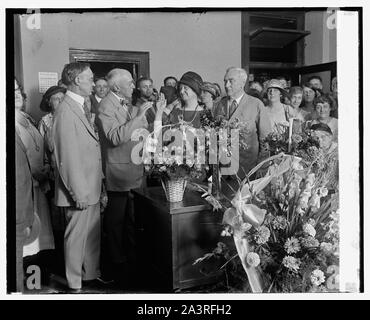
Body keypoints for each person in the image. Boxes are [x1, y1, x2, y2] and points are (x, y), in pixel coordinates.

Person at [96, 68, 155, 287]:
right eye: (130, 83)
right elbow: (114, 137)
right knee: (115, 224)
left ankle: (131, 265)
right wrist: (139, 117)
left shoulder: (126, 103)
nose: (134, 86)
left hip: (133, 170)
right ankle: (117, 268)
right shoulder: (105, 106)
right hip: (118, 174)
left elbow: (138, 131)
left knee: (131, 222)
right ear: (116, 87)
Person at [52, 62, 103, 292]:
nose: (93, 83)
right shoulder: (65, 110)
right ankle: (75, 284)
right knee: (76, 236)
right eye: (89, 78)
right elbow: (67, 158)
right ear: (76, 80)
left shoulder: (79, 106)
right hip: (81, 189)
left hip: (90, 186)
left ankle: (89, 275)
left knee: (91, 235)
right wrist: (79, 193)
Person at [15, 78, 55, 285]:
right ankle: (29, 281)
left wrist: (46, 167)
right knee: (28, 238)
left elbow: (42, 147)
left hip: (40, 185)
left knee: (41, 235)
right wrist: (37, 173)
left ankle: (37, 276)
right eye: (9, 92)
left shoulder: (27, 118)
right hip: (26, 187)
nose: (15, 96)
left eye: (18, 91)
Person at [213, 67, 264, 180]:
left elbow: (266, 139)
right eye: (225, 81)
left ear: (242, 83)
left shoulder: (256, 104)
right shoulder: (218, 105)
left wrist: (262, 168)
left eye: (231, 81)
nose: (227, 85)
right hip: (223, 169)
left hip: (248, 170)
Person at [259, 79, 292, 153]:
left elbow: (296, 131)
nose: (272, 93)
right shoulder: (262, 111)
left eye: (275, 90)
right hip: (266, 151)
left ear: (280, 94)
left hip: (285, 151)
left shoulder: (288, 109)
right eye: (269, 90)